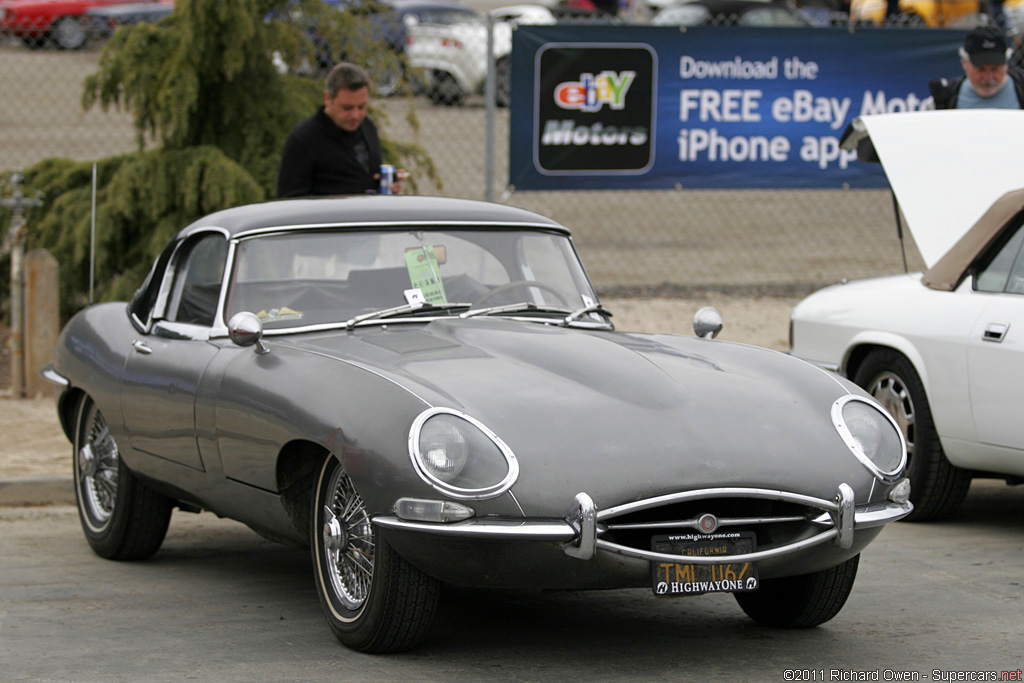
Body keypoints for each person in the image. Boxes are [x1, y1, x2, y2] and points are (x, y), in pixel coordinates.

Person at [277, 62, 405, 197]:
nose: (355, 115)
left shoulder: (367, 126)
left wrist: (386, 186)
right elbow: (290, 201)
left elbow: (364, 177)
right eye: (347, 108)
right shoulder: (303, 139)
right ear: (328, 98)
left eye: (361, 107)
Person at [929, 26, 1024, 109]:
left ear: (1006, 64)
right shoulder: (944, 98)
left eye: (995, 69)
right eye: (980, 69)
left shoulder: (1021, 87)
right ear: (965, 63)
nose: (988, 78)